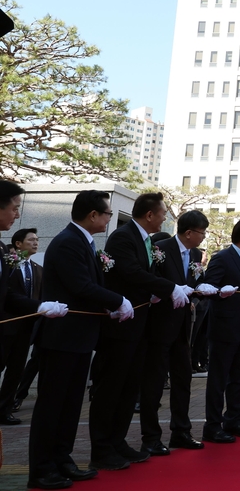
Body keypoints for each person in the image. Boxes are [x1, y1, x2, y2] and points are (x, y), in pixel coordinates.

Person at [29, 189, 127, 490]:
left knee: (70, 404)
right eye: (107, 213)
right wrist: (117, 300)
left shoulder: (82, 241)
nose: (110, 217)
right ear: (93, 215)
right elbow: (81, 285)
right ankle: (42, 468)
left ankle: (62, 458)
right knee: (52, 404)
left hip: (79, 336)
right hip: (62, 337)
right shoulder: (68, 242)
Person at [90, 192, 189, 471]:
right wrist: (168, 287)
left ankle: (118, 441)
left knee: (129, 387)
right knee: (110, 388)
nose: (165, 218)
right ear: (149, 215)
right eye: (162, 213)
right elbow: (131, 272)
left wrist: (158, 291)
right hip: (121, 328)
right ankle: (101, 447)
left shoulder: (147, 241)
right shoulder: (124, 237)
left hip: (141, 327)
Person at [139, 209, 210, 455]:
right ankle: (151, 437)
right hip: (159, 325)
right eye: (202, 233)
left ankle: (181, 431)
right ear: (189, 232)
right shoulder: (161, 247)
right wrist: (170, 290)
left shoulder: (194, 253)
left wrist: (202, 287)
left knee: (183, 380)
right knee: (155, 383)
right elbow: (151, 279)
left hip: (182, 326)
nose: (203, 237)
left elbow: (192, 281)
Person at [201, 217, 240, 444]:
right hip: (224, 328)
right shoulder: (222, 258)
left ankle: (233, 420)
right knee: (218, 379)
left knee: (238, 377)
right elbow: (207, 286)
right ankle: (212, 426)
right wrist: (219, 291)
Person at [0, 227, 42, 425]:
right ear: (18, 244)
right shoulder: (8, 262)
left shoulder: (37, 269)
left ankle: (4, 410)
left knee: (15, 370)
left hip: (26, 329)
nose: (35, 243)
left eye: (37, 240)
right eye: (31, 240)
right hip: (5, 325)